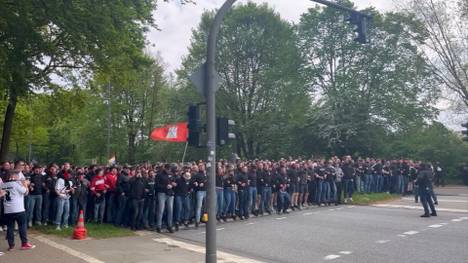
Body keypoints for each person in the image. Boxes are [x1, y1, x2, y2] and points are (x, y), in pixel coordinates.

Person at [0, 170, 35, 251]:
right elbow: (26, 192)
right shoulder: (16, 184)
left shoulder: (2, 185)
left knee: (10, 228)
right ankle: (24, 244)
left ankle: (11, 246)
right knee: (22, 226)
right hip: (18, 209)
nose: (19, 177)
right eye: (18, 175)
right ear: (13, 176)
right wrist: (25, 184)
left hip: (8, 210)